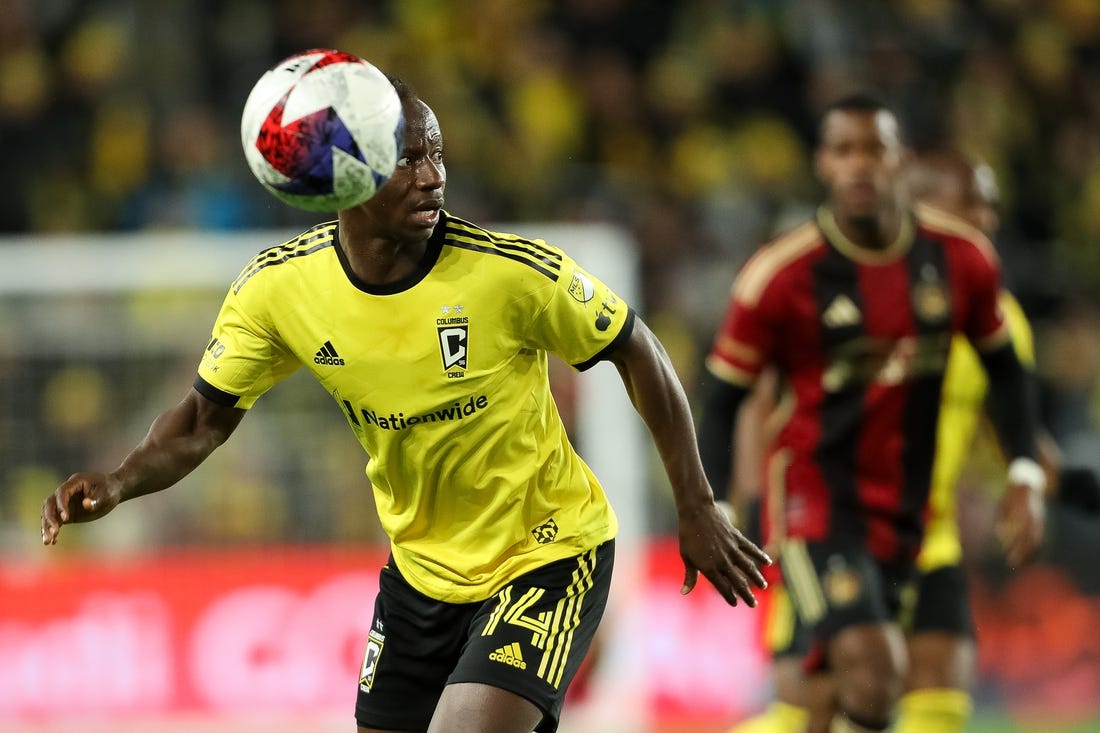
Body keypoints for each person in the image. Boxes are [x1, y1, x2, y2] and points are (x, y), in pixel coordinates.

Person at [40, 72, 771, 733]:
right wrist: (119, 480)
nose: (432, 178)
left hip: (549, 551)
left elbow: (636, 346)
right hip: (420, 575)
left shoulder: (507, 275)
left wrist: (696, 504)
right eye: (408, 161)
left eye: (437, 156)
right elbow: (203, 419)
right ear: (349, 179)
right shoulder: (279, 291)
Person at [697, 93, 1048, 733]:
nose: (986, 219)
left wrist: (1026, 475)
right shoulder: (784, 277)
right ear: (823, 164)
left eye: (874, 150)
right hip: (819, 511)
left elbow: (1009, 384)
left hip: (922, 523)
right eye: (844, 150)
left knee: (922, 700)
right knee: (857, 680)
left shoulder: (966, 273)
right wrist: (726, 505)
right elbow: (737, 397)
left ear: (898, 162)